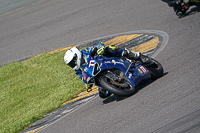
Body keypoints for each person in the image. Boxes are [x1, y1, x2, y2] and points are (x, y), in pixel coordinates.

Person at [64, 42, 141, 99]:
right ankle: (117, 84)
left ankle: (131, 54)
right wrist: (87, 83)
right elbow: (82, 77)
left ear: (76, 56)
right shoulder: (77, 70)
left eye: (72, 62)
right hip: (97, 74)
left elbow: (99, 45)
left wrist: (99, 49)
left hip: (104, 60)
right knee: (103, 95)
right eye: (70, 64)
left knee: (111, 48)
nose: (73, 65)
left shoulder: (86, 52)